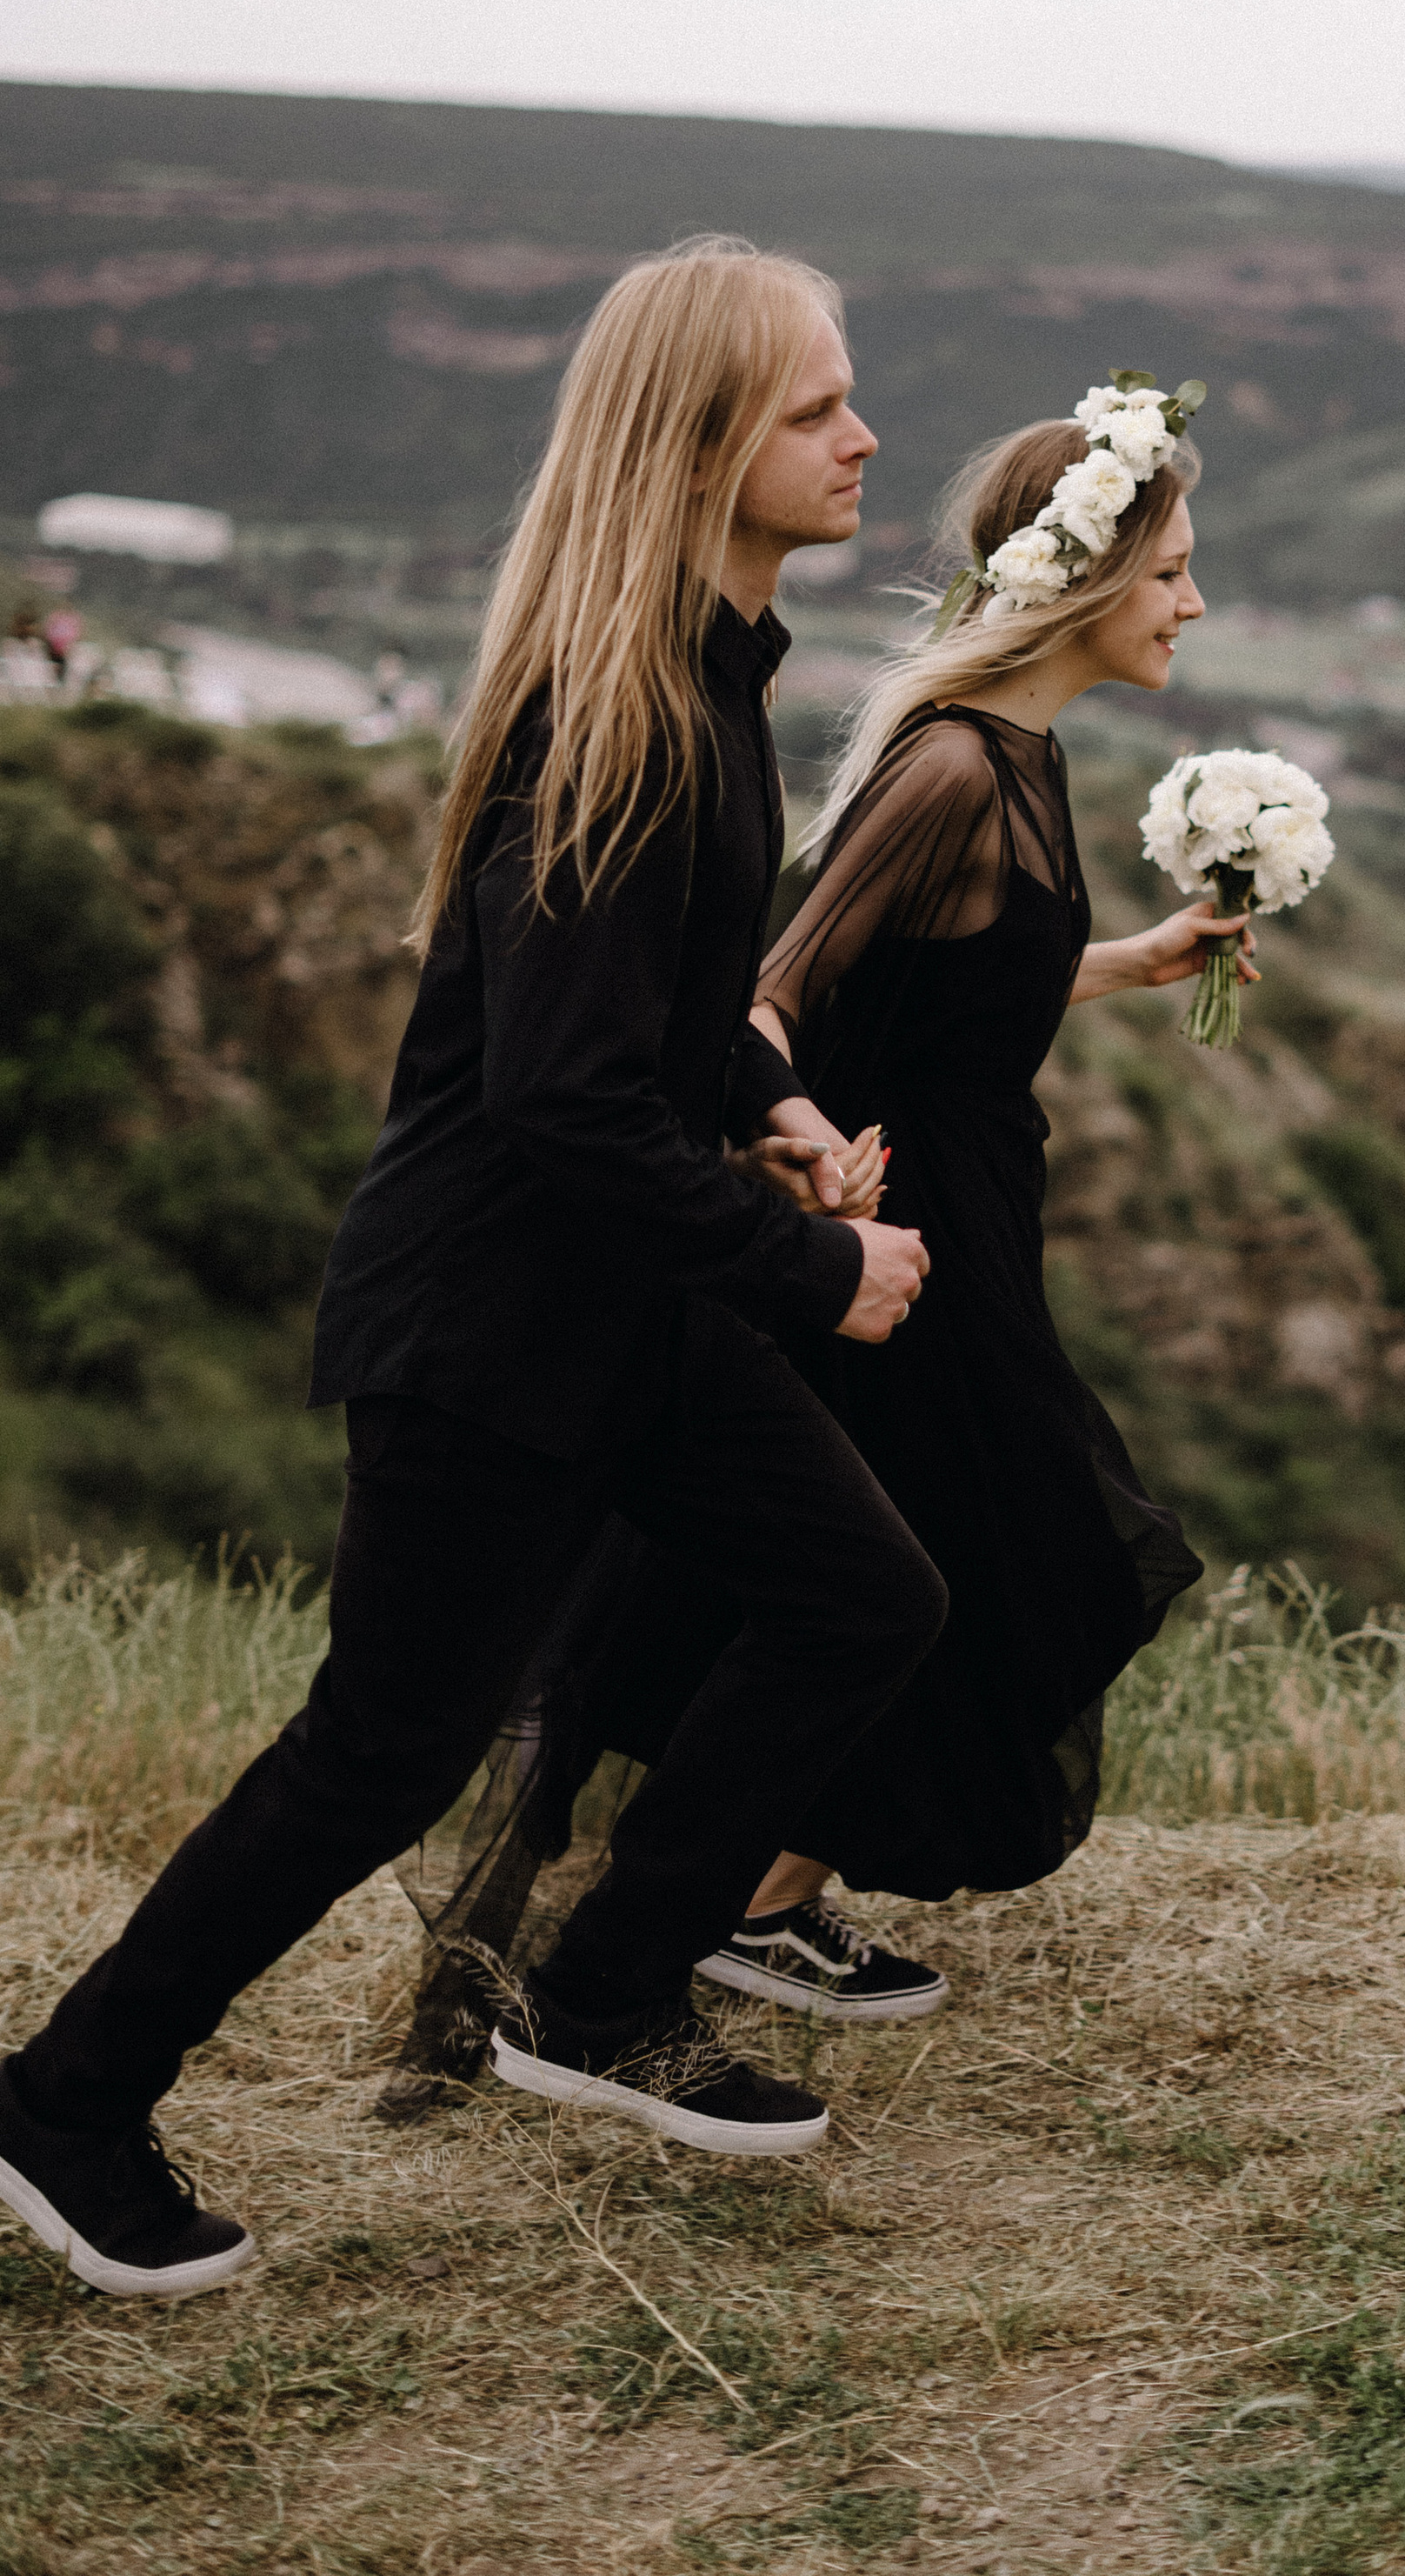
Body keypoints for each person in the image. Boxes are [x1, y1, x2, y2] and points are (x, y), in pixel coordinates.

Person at [0, 238, 944, 2299]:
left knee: (860, 1591)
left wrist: (767, 1099)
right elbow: (557, 1105)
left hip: (616, 1304)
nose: (863, 435)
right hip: (495, 1326)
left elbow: (653, 1023)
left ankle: (595, 1998)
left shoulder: (708, 673)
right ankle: (66, 2101)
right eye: (812, 407)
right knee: (380, 1752)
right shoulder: (624, 720)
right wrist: (815, 1271)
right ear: (697, 444)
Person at [392, 379, 1249, 2048]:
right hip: (901, 1226)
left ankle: (761, 1900)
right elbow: (771, 995)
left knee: (925, 1553)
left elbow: (959, 992)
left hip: (980, 1203)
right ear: (1082, 581)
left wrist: (1124, 964)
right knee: (1003, 1545)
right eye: (1169, 572)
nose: (1194, 603)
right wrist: (803, 1156)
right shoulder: (949, 770)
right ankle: (729, 1915)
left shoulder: (1024, 759)